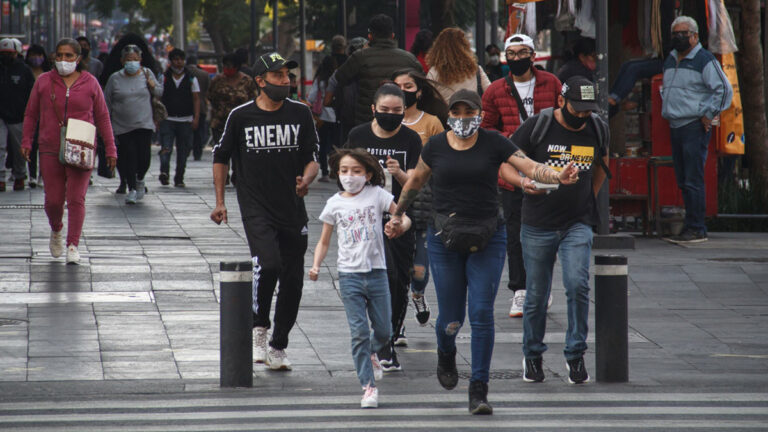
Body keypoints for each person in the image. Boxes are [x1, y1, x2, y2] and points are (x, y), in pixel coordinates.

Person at [385, 89, 578, 414]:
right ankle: (445, 352)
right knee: (451, 318)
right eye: (457, 112)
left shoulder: (494, 142)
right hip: (444, 238)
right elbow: (416, 180)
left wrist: (557, 175)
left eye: (469, 111)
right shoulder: (436, 146)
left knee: (481, 313)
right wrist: (398, 214)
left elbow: (528, 165)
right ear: (449, 115)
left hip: (489, 235)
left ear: (479, 114)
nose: (463, 118)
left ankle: (479, 388)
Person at [210, 52, 319, 370]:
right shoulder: (241, 116)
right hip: (255, 205)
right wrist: (220, 202)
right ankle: (259, 327)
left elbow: (313, 157)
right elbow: (221, 157)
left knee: (293, 281)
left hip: (292, 208)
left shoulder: (301, 114)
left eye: (288, 76)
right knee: (268, 264)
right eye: (279, 76)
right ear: (260, 81)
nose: (286, 81)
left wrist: (307, 179)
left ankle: (279, 344)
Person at [507, 76, 609, 385]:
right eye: (576, 109)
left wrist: (586, 200)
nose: (581, 116)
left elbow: (601, 166)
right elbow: (506, 162)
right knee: (536, 295)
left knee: (577, 285)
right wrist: (523, 183)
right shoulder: (538, 125)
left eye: (587, 111)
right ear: (562, 101)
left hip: (577, 222)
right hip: (537, 222)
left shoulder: (597, 127)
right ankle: (533, 354)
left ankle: (575, 354)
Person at [309, 148, 412, 409]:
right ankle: (368, 387)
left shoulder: (377, 195)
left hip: (377, 273)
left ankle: (375, 352)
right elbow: (323, 240)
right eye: (344, 171)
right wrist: (316, 265)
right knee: (358, 333)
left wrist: (398, 225)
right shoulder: (334, 203)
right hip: (349, 276)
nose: (350, 176)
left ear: (368, 174)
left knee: (385, 331)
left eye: (356, 171)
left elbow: (404, 217)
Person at [481, 33, 562, 318]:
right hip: (512, 171)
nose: (517, 58)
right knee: (515, 232)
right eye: (511, 54)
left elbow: (563, 118)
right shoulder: (494, 91)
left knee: (546, 232)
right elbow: (487, 128)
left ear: (532, 54)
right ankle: (520, 289)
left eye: (522, 53)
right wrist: (510, 140)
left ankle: (543, 286)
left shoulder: (551, 83)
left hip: (546, 169)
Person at [344, 83, 422, 372]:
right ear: (374, 109)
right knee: (372, 278)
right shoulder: (358, 135)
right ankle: (378, 336)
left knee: (397, 279)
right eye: (385, 110)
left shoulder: (411, 139)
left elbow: (414, 183)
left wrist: (397, 172)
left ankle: (387, 339)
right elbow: (346, 175)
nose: (391, 115)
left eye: (397, 111)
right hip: (364, 219)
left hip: (399, 218)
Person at [20, 38, 117, 264]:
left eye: (69, 56)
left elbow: (102, 117)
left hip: (81, 147)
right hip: (49, 149)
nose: (63, 60)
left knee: (76, 198)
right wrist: (26, 141)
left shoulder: (90, 83)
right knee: (53, 201)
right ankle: (56, 229)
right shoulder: (44, 82)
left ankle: (73, 244)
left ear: (78, 58)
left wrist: (111, 148)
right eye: (60, 55)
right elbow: (31, 114)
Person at [661, 16, 732, 244]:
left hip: (693, 126)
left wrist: (709, 114)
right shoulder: (671, 59)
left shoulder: (705, 59)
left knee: (693, 179)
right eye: (675, 34)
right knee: (683, 179)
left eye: (683, 34)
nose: (679, 38)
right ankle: (690, 227)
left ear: (694, 36)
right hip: (675, 126)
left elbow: (723, 90)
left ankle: (697, 228)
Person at [391, 68, 446, 335]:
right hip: (392, 206)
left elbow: (442, 162)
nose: (402, 90)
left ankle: (418, 295)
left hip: (424, 207)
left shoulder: (432, 123)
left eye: (408, 85)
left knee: (420, 272)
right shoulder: (385, 121)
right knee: (394, 269)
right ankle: (396, 321)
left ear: (419, 91)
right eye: (396, 85)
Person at [333, 14, 423, 126]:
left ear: (370, 36)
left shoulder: (360, 57)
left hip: (367, 121)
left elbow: (339, 77)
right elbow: (422, 82)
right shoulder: (409, 59)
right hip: (402, 121)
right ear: (392, 35)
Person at [104, 44, 163, 204]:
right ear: (122, 61)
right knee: (129, 156)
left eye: (135, 59)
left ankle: (140, 178)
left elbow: (159, 92)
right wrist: (106, 123)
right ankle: (132, 189)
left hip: (144, 123)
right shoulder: (115, 78)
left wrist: (152, 85)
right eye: (129, 60)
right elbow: (106, 101)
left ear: (140, 60)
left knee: (144, 157)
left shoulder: (147, 73)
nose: (132, 62)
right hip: (122, 126)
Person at [158, 48, 200, 187]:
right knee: (166, 148)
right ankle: (164, 172)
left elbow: (196, 99)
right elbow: (157, 98)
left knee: (183, 151)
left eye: (181, 59)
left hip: (185, 120)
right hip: (167, 120)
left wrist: (196, 118)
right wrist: (156, 118)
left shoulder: (191, 78)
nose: (178, 62)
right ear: (171, 61)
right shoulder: (163, 77)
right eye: (175, 59)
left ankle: (179, 178)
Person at [0, 38, 34, 192]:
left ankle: (20, 176)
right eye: (3, 53)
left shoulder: (24, 70)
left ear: (17, 53)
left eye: (10, 53)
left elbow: (31, 93)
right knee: (0, 147)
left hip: (19, 116)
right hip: (1, 115)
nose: (6, 56)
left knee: (20, 149)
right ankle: (0, 178)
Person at [426, 28, 491, 103]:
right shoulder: (475, 69)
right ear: (465, 45)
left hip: (445, 113)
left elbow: (428, 98)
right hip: (471, 112)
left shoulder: (434, 72)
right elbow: (490, 92)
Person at [324, 37, 367, 145]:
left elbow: (327, 101)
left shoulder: (338, 74)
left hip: (346, 122)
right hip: (368, 121)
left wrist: (338, 103)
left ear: (348, 53)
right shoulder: (374, 72)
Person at [308, 50, 343, 183]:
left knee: (322, 145)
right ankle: (337, 170)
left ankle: (324, 172)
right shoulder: (338, 79)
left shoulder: (320, 80)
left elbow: (311, 97)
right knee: (336, 145)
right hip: (336, 116)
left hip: (322, 117)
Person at [24, 44, 53, 189]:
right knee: (32, 144)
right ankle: (33, 176)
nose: (36, 58)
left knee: (45, 146)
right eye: (33, 55)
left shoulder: (49, 74)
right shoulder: (25, 72)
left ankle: (43, 175)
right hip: (30, 113)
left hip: (47, 114)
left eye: (39, 55)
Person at [186, 55, 211, 161]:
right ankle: (197, 153)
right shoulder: (204, 74)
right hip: (201, 106)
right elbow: (208, 91)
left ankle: (185, 151)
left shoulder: (184, 73)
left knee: (185, 132)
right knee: (199, 132)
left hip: (185, 107)